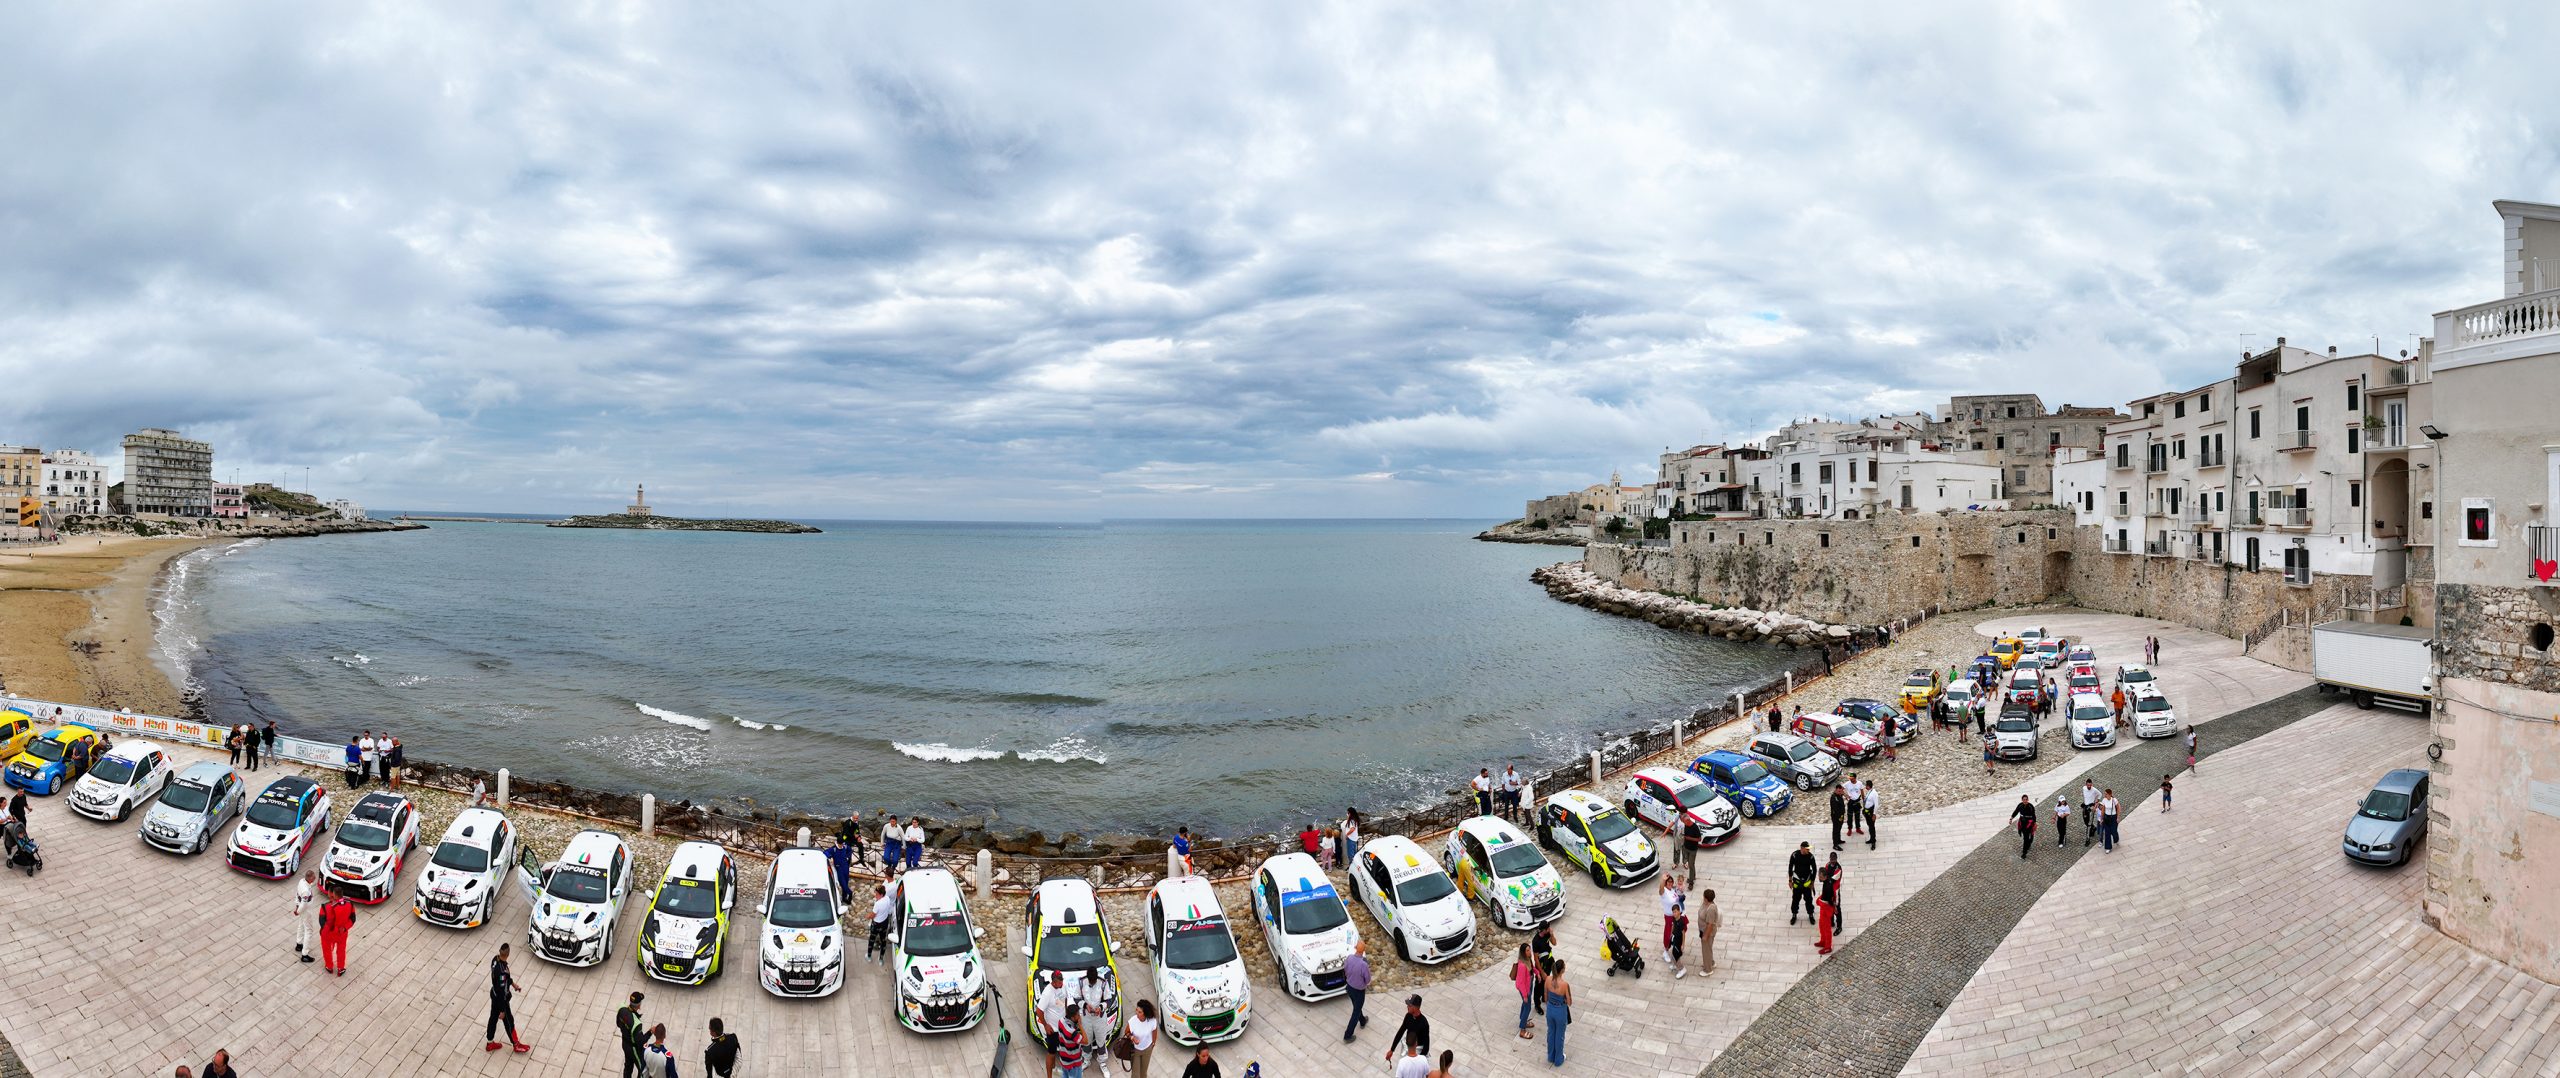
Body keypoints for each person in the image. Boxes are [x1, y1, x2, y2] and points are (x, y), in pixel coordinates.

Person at [486, 943, 528, 1053]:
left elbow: (506, 979)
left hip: (494, 994)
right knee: (509, 1021)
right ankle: (516, 1044)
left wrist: (513, 985)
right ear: (508, 954)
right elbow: (501, 991)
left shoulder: (495, 959)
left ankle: (489, 1043)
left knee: (493, 1019)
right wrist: (502, 1010)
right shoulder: (502, 971)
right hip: (501, 1000)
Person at [1035, 971, 1072, 1077]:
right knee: (1051, 1053)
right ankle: (1049, 1076)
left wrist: (1066, 1014)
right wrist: (1046, 1025)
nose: (1062, 984)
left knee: (1060, 1050)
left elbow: (1065, 999)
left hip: (1062, 1025)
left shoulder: (1063, 986)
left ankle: (1055, 1068)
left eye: (1062, 981)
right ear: (1054, 982)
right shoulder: (1047, 993)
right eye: (1059, 983)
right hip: (1053, 1030)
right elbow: (1039, 1011)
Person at [1385, 994, 1429, 1067]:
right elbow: (1400, 1032)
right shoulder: (1408, 1016)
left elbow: (1426, 1046)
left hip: (1417, 1051)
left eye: (1409, 1005)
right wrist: (1392, 1050)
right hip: (1407, 1046)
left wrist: (1418, 1062)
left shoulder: (1424, 1023)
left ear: (1415, 1007)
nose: (1407, 1007)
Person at [1340, 940, 1371, 1042]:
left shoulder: (1349, 958)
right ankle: (1347, 1035)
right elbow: (1368, 980)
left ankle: (1362, 1021)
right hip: (1359, 991)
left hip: (1349, 988)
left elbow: (1345, 970)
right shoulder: (1363, 964)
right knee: (1356, 1012)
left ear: (1355, 948)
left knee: (1357, 1007)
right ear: (1363, 951)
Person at [318, 888, 355, 975]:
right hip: (342, 933)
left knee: (327, 950)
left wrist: (323, 931)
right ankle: (340, 968)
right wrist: (345, 928)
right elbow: (353, 919)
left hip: (328, 933)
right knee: (341, 950)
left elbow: (322, 922)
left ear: (333, 895)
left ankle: (329, 966)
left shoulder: (325, 906)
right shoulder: (350, 904)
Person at [1541, 966, 1572, 1067]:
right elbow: (1569, 1002)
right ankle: (1558, 1059)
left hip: (1550, 1009)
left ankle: (1550, 1056)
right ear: (1562, 970)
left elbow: (1545, 996)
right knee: (1559, 1035)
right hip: (1560, 1011)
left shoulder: (1548, 979)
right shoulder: (1564, 985)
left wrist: (1550, 1005)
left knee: (1551, 1033)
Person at [1656, 876, 1685, 973]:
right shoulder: (1664, 891)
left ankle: (1675, 948)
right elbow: (1660, 890)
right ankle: (1665, 951)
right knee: (1668, 934)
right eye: (1668, 881)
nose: (1670, 883)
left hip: (1676, 916)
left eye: (1671, 881)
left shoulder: (1672, 890)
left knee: (1677, 933)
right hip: (1669, 916)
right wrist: (1663, 880)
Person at [1126, 997, 1160, 1078]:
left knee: (1143, 1073)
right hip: (1135, 1050)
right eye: (1136, 1010)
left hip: (1147, 1049)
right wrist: (1132, 1038)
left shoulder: (1152, 1021)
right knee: (1135, 1074)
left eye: (1140, 1012)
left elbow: (1154, 1031)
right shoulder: (1133, 1021)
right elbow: (1126, 1032)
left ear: (1145, 1013)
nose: (1137, 1013)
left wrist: (1153, 1043)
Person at [617, 992, 648, 1078]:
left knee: (628, 1066)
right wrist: (650, 1032)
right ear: (639, 1006)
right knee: (643, 1070)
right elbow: (640, 1042)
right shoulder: (636, 1024)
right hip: (633, 1049)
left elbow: (618, 1024)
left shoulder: (622, 1009)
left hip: (624, 1043)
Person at [1511, 944, 1539, 1039]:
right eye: (1527, 950)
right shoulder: (1522, 965)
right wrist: (1525, 995)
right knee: (1527, 1007)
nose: (1529, 952)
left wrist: (1537, 973)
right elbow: (1521, 982)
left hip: (1529, 985)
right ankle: (1522, 1030)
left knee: (1525, 1004)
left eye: (1529, 950)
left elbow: (1532, 968)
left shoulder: (1528, 959)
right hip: (1525, 989)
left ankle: (1523, 1019)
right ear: (1523, 952)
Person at [1787, 841, 1816, 924]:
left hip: (1807, 883)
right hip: (1797, 882)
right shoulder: (1794, 855)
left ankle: (1811, 914)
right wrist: (1790, 880)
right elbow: (1790, 867)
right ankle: (1794, 914)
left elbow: (1814, 869)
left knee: (1809, 900)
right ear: (1802, 848)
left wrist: (1812, 882)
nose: (1809, 850)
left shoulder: (1811, 857)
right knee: (1795, 900)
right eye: (1807, 849)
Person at [293, 869, 317, 962]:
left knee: (301, 925)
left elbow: (297, 894)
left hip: (301, 908)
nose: (315, 878)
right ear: (309, 878)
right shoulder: (306, 891)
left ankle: (299, 944)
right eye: (313, 877)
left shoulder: (301, 881)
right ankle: (305, 954)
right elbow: (304, 904)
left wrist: (297, 906)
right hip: (306, 911)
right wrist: (298, 911)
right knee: (309, 930)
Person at [1696, 888, 1720, 974]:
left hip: (1708, 933)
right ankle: (1711, 962)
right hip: (1703, 930)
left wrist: (1705, 936)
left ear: (1706, 898)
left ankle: (1708, 970)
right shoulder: (1705, 904)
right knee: (1708, 948)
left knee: (1706, 950)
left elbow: (1710, 924)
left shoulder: (1711, 909)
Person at [867, 883, 892, 962]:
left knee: (872, 940)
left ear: (881, 894)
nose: (875, 895)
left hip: (876, 925)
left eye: (877, 894)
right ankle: (881, 959)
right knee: (883, 940)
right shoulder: (887, 898)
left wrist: (868, 916)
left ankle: (869, 956)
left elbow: (873, 915)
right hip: (884, 923)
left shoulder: (878, 904)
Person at [1676, 813, 1702, 888]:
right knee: (1691, 864)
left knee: (1691, 865)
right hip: (1686, 847)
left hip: (1693, 849)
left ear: (1688, 820)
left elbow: (1699, 839)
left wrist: (1689, 838)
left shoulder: (1695, 827)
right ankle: (1693, 876)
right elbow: (1685, 835)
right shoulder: (1686, 826)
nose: (1683, 823)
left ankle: (1691, 882)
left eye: (1683, 821)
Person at [2013, 794, 2038, 858]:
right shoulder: (2020, 805)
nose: (2025, 801)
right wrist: (2011, 818)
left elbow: (2033, 815)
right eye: (2024, 800)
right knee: (2025, 837)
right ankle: (2027, 845)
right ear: (2022, 800)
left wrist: (2035, 823)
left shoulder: (2031, 806)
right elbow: (2016, 811)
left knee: (2028, 837)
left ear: (2028, 800)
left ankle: (2024, 852)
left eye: (2026, 799)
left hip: (2029, 824)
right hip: (2022, 823)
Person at [2080, 779, 2101, 846]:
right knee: (2085, 821)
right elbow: (2085, 796)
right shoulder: (2084, 788)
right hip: (2085, 807)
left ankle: (2087, 839)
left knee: (2089, 824)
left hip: (2091, 807)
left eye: (2090, 785)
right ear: (2086, 784)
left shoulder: (2094, 790)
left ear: (2092, 784)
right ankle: (2093, 828)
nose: (2089, 786)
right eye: (2088, 785)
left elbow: (2100, 794)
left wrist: (2096, 803)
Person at [1862, 780, 1879, 849]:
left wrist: (1874, 814)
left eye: (1866, 785)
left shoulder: (1874, 793)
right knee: (1869, 826)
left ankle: (1873, 842)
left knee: (1872, 827)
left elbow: (1876, 805)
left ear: (1868, 786)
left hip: (1871, 812)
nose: (1865, 787)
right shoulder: (1869, 791)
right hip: (1867, 812)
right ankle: (1871, 839)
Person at [1828, 785, 1845, 851]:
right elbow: (1835, 809)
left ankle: (1838, 840)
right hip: (1836, 817)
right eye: (1839, 791)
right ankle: (1835, 845)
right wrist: (1839, 817)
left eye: (1841, 791)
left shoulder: (1839, 795)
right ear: (1835, 790)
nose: (1840, 792)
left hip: (1841, 816)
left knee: (1839, 828)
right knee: (1836, 830)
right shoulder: (1834, 798)